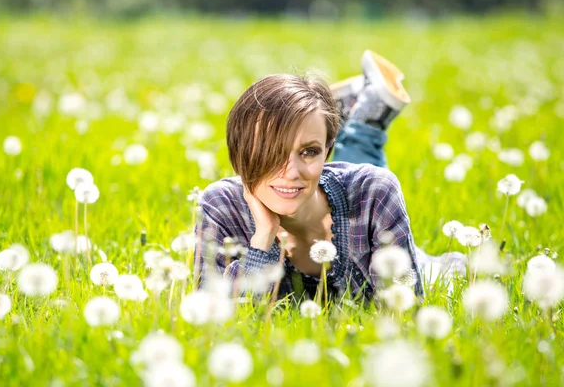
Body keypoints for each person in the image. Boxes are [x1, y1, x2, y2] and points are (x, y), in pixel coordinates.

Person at [193, 50, 463, 302]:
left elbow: (405, 306)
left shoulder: (375, 192)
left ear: (328, 152)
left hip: (431, 268)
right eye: (272, 150)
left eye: (310, 151)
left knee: (358, 186)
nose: (290, 172)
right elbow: (215, 318)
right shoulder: (221, 205)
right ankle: (359, 119)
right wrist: (262, 240)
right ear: (238, 154)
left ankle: (358, 124)